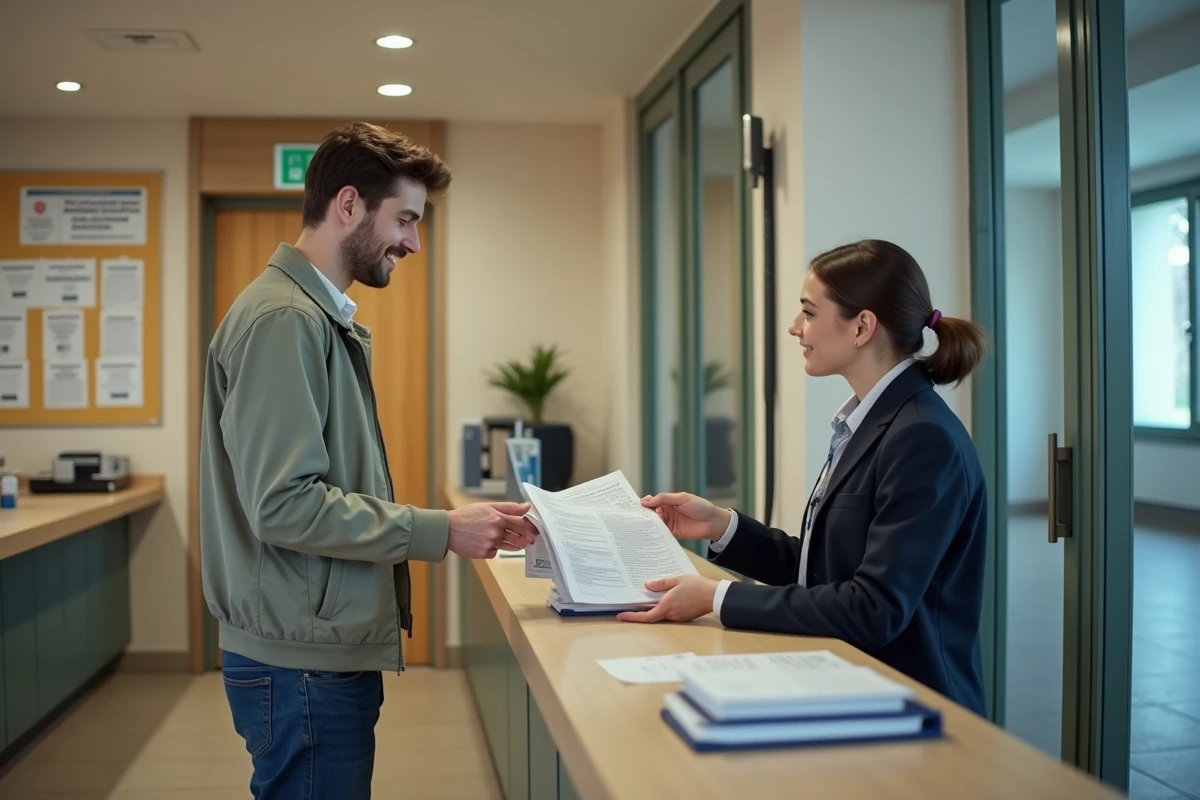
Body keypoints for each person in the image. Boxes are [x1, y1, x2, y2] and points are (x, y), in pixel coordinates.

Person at [199, 122, 539, 799]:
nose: (413, 242)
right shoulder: (284, 321)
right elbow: (283, 504)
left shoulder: (317, 319)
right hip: (301, 665)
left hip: (312, 649)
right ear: (348, 205)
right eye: (405, 220)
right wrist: (442, 530)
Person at [618, 239, 990, 716]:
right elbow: (823, 571)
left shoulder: (921, 439)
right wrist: (721, 526)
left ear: (862, 326)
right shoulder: (871, 423)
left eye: (809, 313)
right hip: (851, 685)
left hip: (915, 710)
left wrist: (717, 596)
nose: (795, 329)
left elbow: (874, 608)